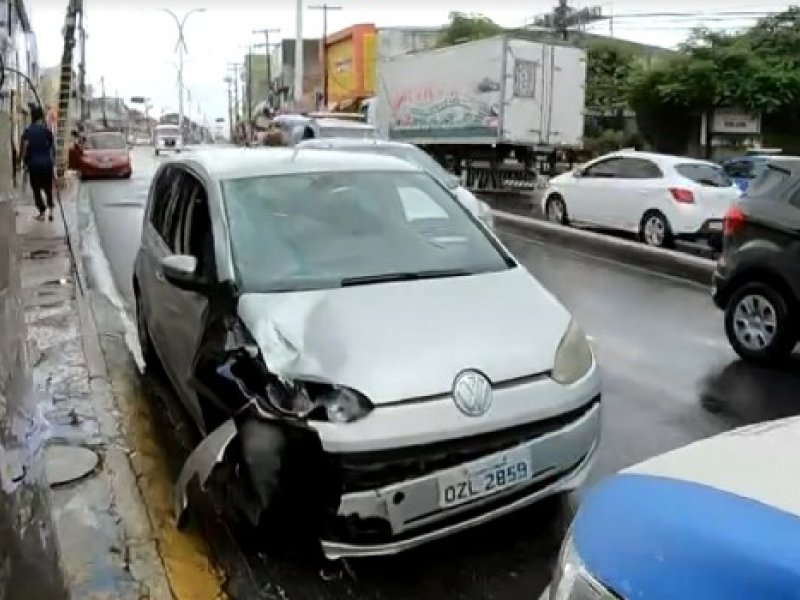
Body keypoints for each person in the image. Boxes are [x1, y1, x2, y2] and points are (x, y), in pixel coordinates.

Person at [19, 106, 55, 221]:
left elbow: (24, 148)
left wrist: (23, 162)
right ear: (41, 117)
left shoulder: (28, 131)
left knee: (36, 189)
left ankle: (42, 212)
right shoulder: (47, 131)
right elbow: (50, 147)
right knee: (48, 187)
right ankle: (51, 210)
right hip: (46, 163)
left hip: (34, 164)